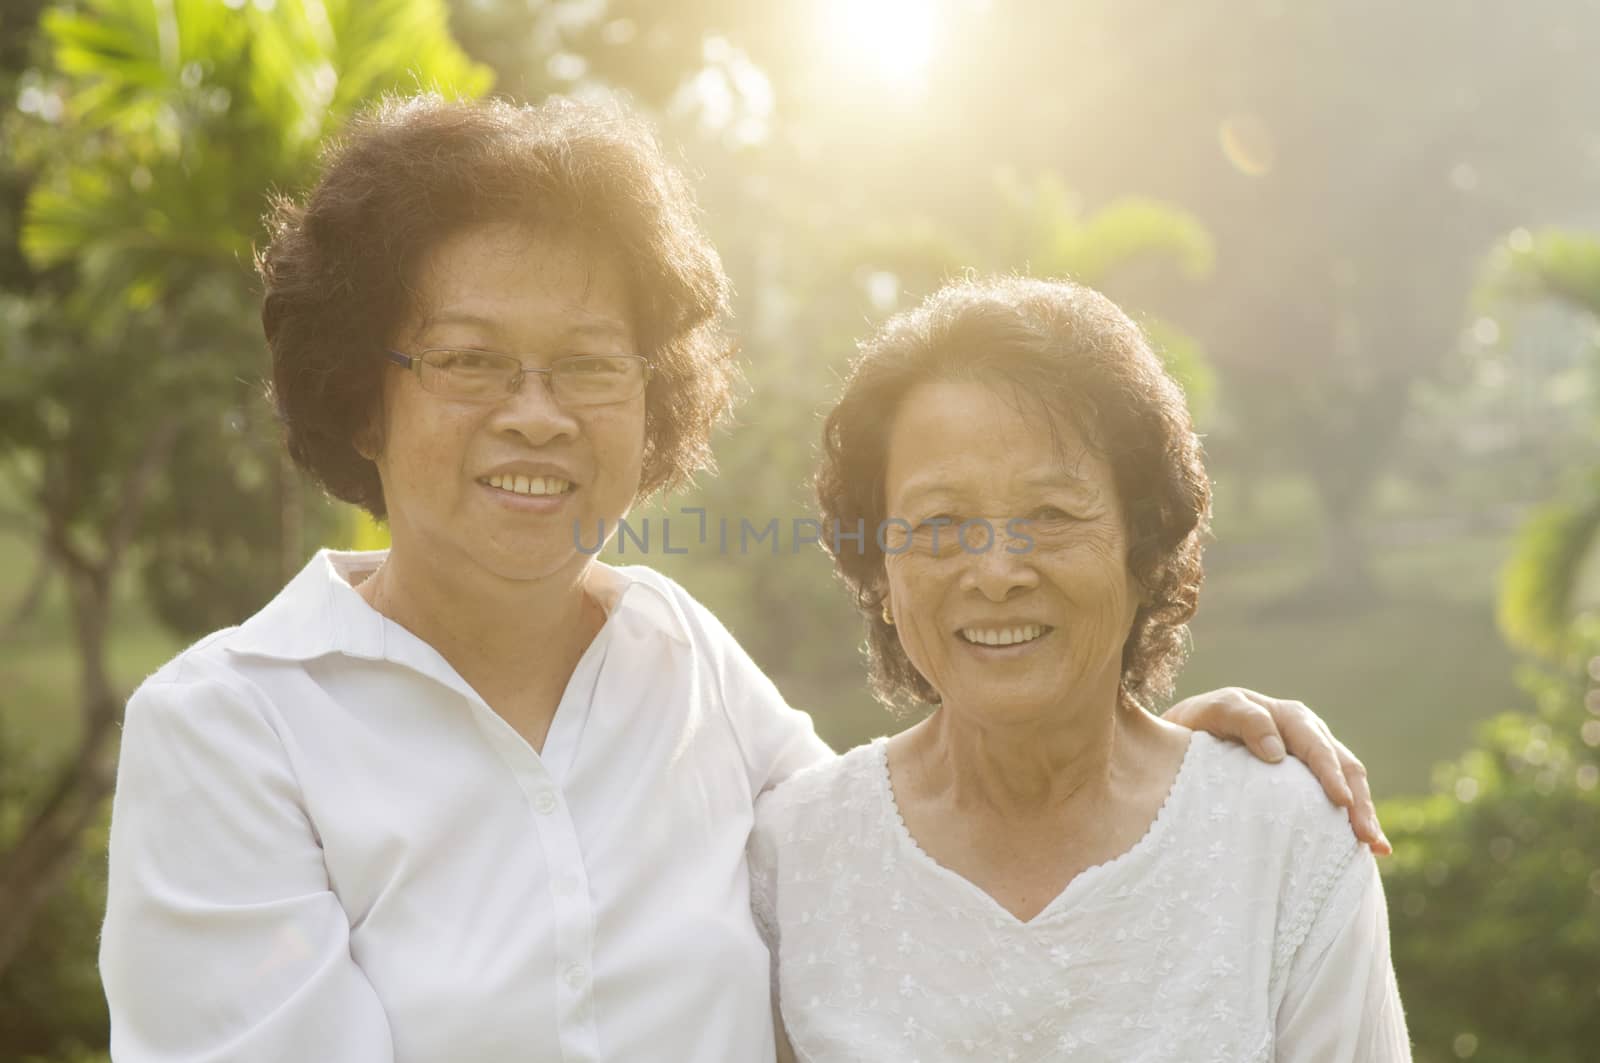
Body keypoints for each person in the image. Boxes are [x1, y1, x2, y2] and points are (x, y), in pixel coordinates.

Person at [100, 95, 1388, 1062]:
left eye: (590, 363)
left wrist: (1160, 735)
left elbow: (909, 826)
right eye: (471, 361)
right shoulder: (232, 730)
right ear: (358, 399)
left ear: (650, 399)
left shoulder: (682, 662)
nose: (536, 415)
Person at [750, 276, 1411, 1061]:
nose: (996, 572)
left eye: (1051, 515)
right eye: (941, 521)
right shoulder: (793, 855)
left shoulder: (1287, 840)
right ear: (880, 569)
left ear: (1145, 549)